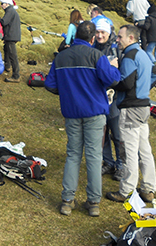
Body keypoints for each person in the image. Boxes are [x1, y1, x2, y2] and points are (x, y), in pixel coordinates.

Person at [45, 21, 120, 217]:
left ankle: (67, 200)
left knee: (73, 154)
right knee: (94, 157)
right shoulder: (97, 55)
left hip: (72, 112)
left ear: (74, 35)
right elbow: (112, 80)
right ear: (93, 38)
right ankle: (93, 202)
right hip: (95, 112)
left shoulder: (61, 57)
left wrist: (67, 92)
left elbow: (50, 84)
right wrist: (113, 67)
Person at [105, 25, 156, 204]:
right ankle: (148, 188)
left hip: (130, 108)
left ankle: (126, 190)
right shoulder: (143, 54)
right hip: (144, 106)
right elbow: (155, 73)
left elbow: (125, 83)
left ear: (131, 38)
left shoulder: (129, 56)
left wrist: (112, 76)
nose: (117, 40)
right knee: (145, 149)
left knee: (129, 150)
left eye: (120, 37)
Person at [93, 20, 121, 177]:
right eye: (97, 32)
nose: (99, 35)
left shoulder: (116, 48)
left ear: (109, 32)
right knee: (102, 132)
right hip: (98, 95)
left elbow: (118, 74)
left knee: (117, 133)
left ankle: (121, 164)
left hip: (114, 96)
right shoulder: (94, 47)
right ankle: (108, 162)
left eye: (102, 32)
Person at [0, 0, 21, 82]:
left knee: (13, 55)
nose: (1, 5)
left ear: (7, 4)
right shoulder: (11, 10)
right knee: (7, 50)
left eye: (2, 3)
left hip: (11, 36)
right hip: (11, 35)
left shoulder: (10, 11)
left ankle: (16, 76)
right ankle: (7, 67)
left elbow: (4, 22)